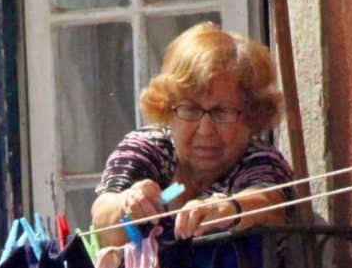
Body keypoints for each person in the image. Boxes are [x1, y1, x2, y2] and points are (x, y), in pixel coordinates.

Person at [89, 23, 292, 245]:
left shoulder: (259, 160)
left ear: (252, 115)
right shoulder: (148, 147)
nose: (205, 130)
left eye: (222, 112)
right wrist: (126, 204)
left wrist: (226, 209)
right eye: (190, 109)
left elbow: (270, 205)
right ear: (167, 108)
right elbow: (103, 220)